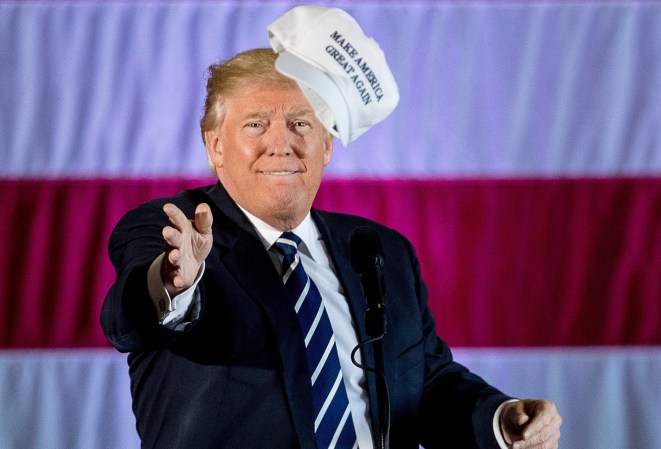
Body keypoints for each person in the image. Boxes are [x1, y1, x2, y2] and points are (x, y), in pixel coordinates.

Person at [101, 45, 560, 449]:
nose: (281, 144)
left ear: (327, 145)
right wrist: (173, 284)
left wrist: (502, 420)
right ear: (216, 146)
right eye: (256, 125)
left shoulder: (382, 250)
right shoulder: (171, 229)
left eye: (300, 123)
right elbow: (129, 322)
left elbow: (425, 382)